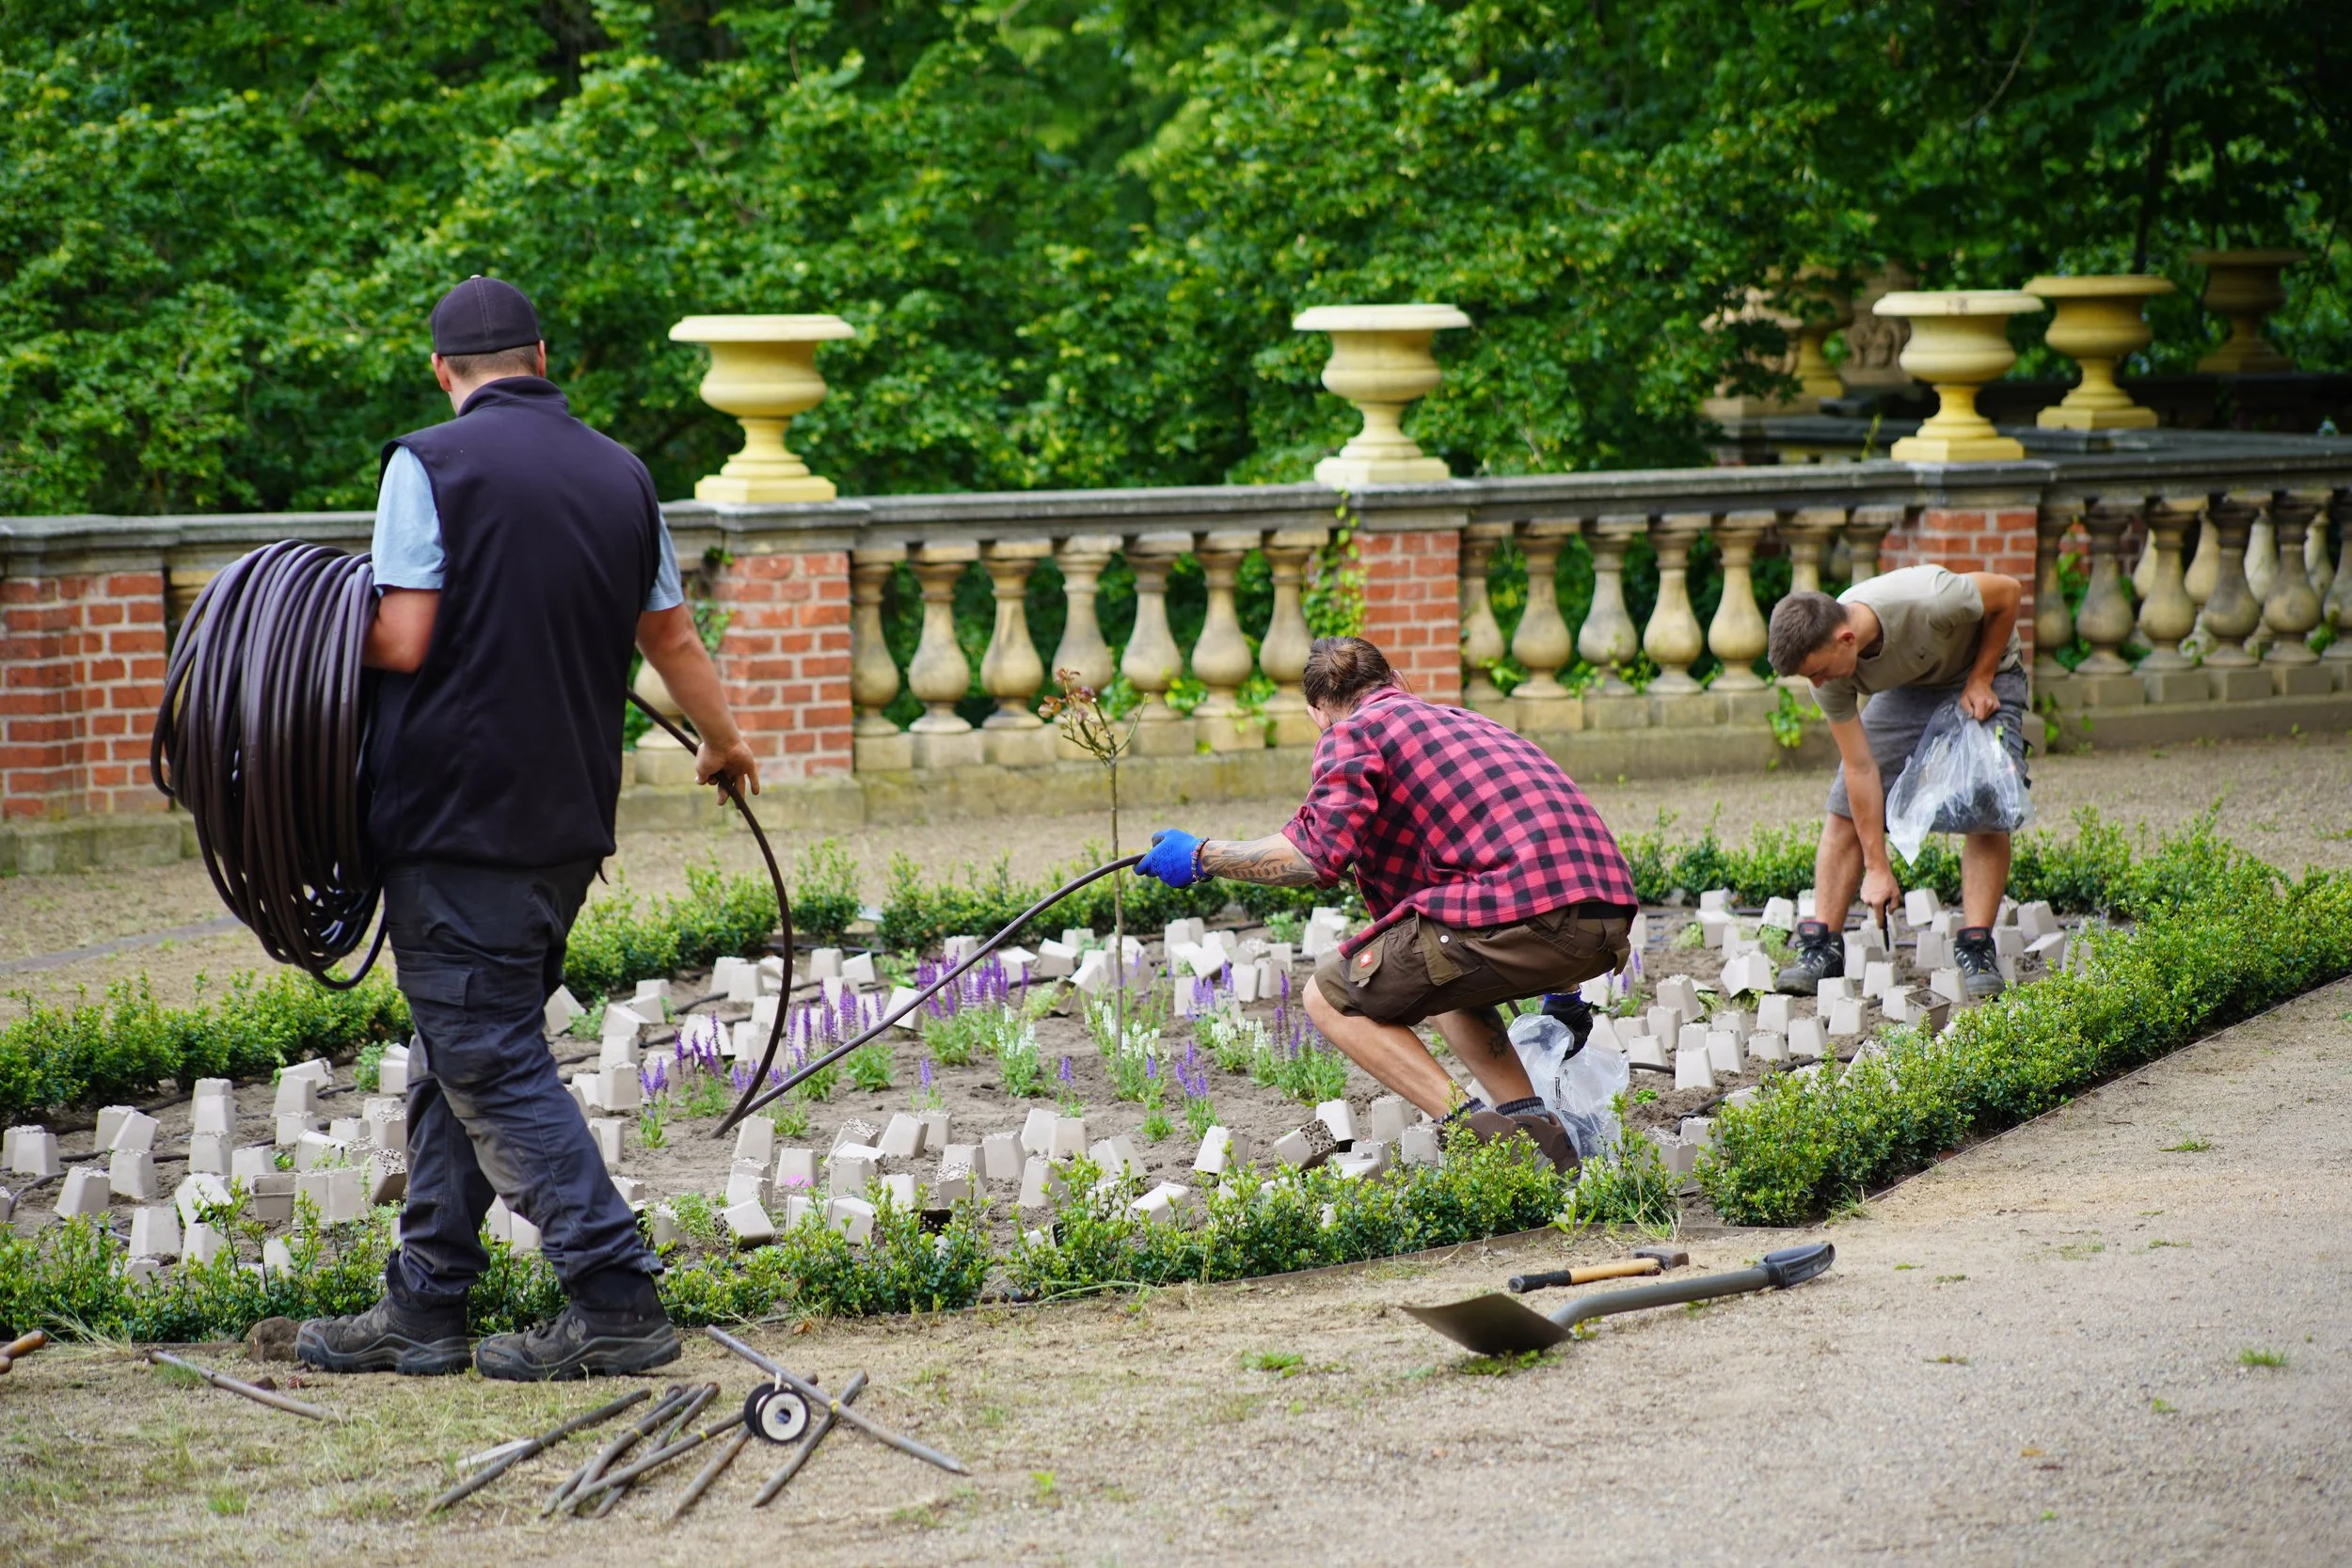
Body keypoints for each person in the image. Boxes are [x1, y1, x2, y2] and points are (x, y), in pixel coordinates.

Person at [297, 277, 761, 1381]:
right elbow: (672, 634)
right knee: (458, 1047)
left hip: (456, 816)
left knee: (488, 1055)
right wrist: (724, 740)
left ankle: (613, 1297)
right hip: (563, 825)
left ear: (441, 372)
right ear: (542, 357)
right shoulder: (621, 471)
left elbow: (403, 635)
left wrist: (299, 632)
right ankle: (425, 1302)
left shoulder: (429, 462)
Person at [1134, 636, 1638, 1173]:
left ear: (1316, 714)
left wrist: (1202, 855)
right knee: (1435, 973)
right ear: (1396, 680)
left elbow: (1315, 857)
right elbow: (1541, 849)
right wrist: (1566, 991)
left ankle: (1488, 1144)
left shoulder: (1352, 733)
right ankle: (1540, 1138)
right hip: (1605, 922)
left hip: (1530, 920)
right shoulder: (1470, 724)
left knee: (1328, 997)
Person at [1765, 563, 2027, 1002]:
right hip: (1909, 687)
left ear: (1846, 639)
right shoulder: (1828, 672)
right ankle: (1821, 945)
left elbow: (2008, 592)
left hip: (1987, 668)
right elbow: (1860, 768)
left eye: (1818, 672)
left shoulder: (1931, 599)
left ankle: (1977, 944)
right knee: (1843, 807)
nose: (1817, 684)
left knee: (1986, 799)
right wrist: (1877, 866)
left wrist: (1981, 678)